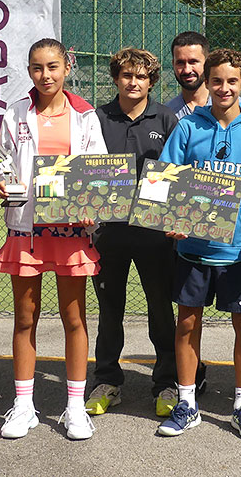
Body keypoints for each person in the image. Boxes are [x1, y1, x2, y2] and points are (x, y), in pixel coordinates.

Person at [156, 48, 241, 440]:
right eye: (217, 81)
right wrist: (170, 221)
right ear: (206, 84)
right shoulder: (188, 127)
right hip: (194, 248)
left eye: (232, 81)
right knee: (187, 323)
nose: (224, 88)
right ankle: (188, 403)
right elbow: (164, 180)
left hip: (240, 248)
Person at [0, 38, 107, 440]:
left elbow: (96, 172)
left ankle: (75, 407)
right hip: (26, 230)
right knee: (25, 317)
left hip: (71, 232)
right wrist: (4, 184)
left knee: (73, 318)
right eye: (38, 68)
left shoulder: (86, 115)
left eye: (53, 66)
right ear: (29, 71)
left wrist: (92, 204)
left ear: (67, 67)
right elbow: (2, 161)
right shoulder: (15, 113)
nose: (46, 75)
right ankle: (24, 405)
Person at [86, 48, 179, 418]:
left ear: (151, 81)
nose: (133, 82)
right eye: (127, 75)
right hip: (110, 231)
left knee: (160, 308)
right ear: (116, 78)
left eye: (141, 77)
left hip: (154, 231)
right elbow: (88, 170)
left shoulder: (167, 117)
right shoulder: (97, 118)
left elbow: (176, 171)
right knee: (110, 310)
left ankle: (167, 382)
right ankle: (108, 380)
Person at [165, 31, 210, 120]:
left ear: (207, 62)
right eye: (180, 63)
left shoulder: (232, 108)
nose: (187, 70)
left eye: (193, 62)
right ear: (173, 64)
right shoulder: (167, 115)